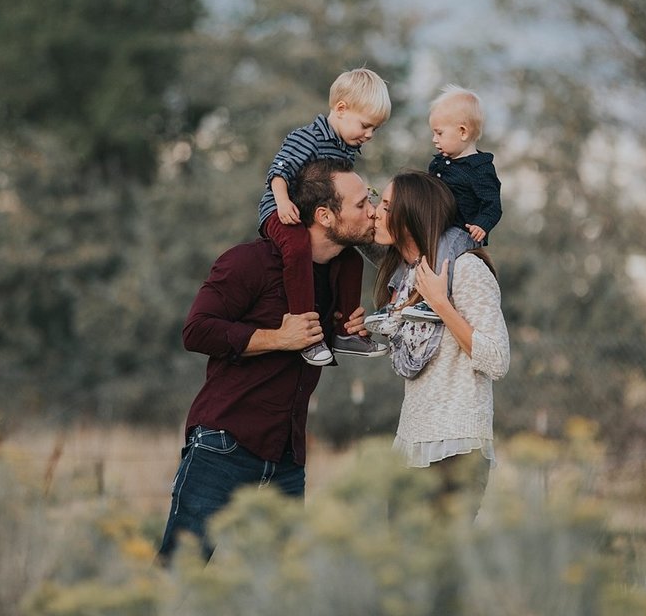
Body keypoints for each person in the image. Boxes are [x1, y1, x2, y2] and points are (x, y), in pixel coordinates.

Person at [157, 159, 376, 562]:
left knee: (282, 591)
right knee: (178, 576)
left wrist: (351, 328)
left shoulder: (340, 275)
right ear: (325, 216)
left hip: (287, 459)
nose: (373, 211)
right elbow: (196, 331)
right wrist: (277, 338)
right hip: (223, 446)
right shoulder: (249, 262)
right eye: (362, 203)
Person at [367, 170, 510, 520]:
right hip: (410, 445)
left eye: (386, 205)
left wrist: (442, 305)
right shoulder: (407, 277)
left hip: (456, 449)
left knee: (441, 572)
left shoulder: (464, 269)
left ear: (412, 215)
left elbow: (496, 359)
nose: (375, 212)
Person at [258, 68, 392, 364]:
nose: (369, 134)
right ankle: (307, 333)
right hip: (283, 212)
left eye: (375, 129)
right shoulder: (307, 137)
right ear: (342, 109)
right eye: (366, 125)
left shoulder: (346, 149)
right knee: (297, 250)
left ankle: (345, 332)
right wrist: (282, 203)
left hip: (316, 218)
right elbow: (279, 171)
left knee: (351, 259)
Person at [400, 85, 503, 323]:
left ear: (463, 132)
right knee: (408, 247)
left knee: (444, 253)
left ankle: (436, 301)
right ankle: (399, 295)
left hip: (461, 229)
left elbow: (492, 203)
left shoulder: (479, 169)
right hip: (437, 225)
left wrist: (482, 224)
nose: (434, 140)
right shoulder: (440, 163)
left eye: (439, 133)